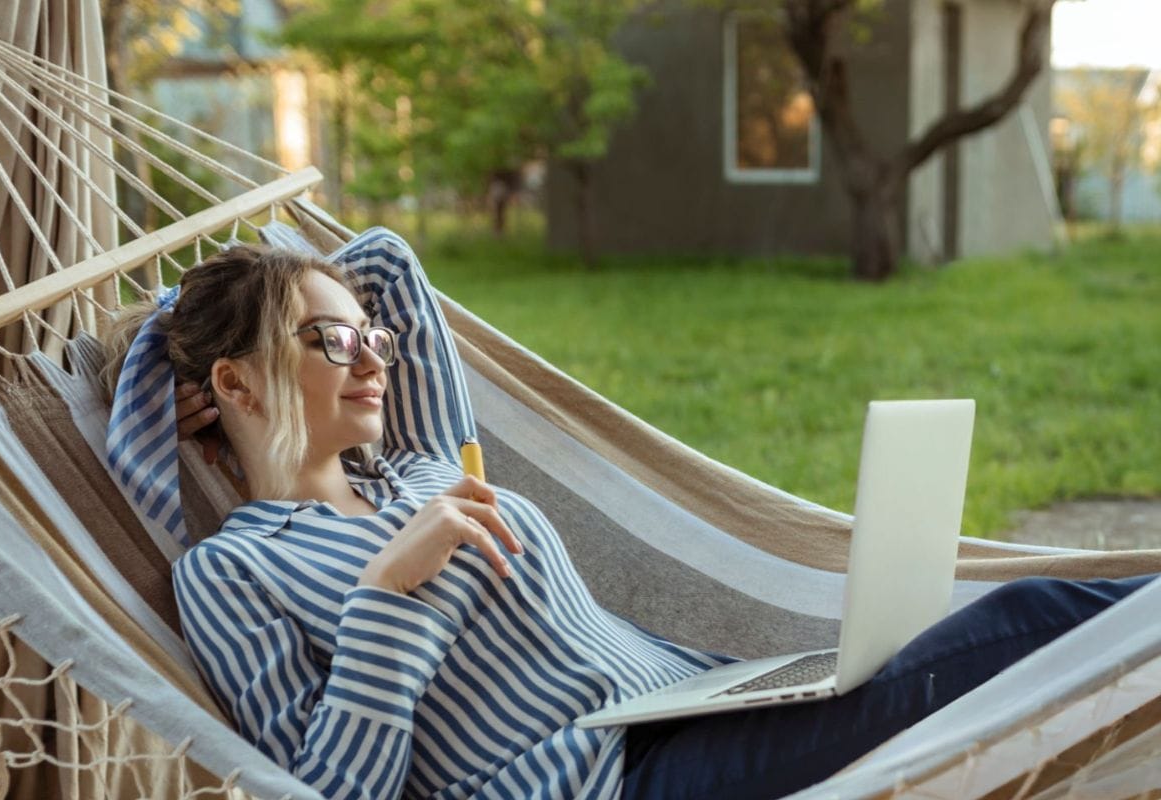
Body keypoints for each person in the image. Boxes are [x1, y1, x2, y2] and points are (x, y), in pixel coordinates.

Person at [102, 228, 1154, 800]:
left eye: (372, 339)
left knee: (971, 636)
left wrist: (224, 319)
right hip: (604, 782)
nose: (374, 357)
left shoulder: (423, 466)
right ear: (234, 384)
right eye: (333, 343)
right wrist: (387, 593)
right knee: (1019, 624)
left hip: (692, 705)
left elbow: (387, 261)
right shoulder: (228, 572)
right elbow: (331, 790)